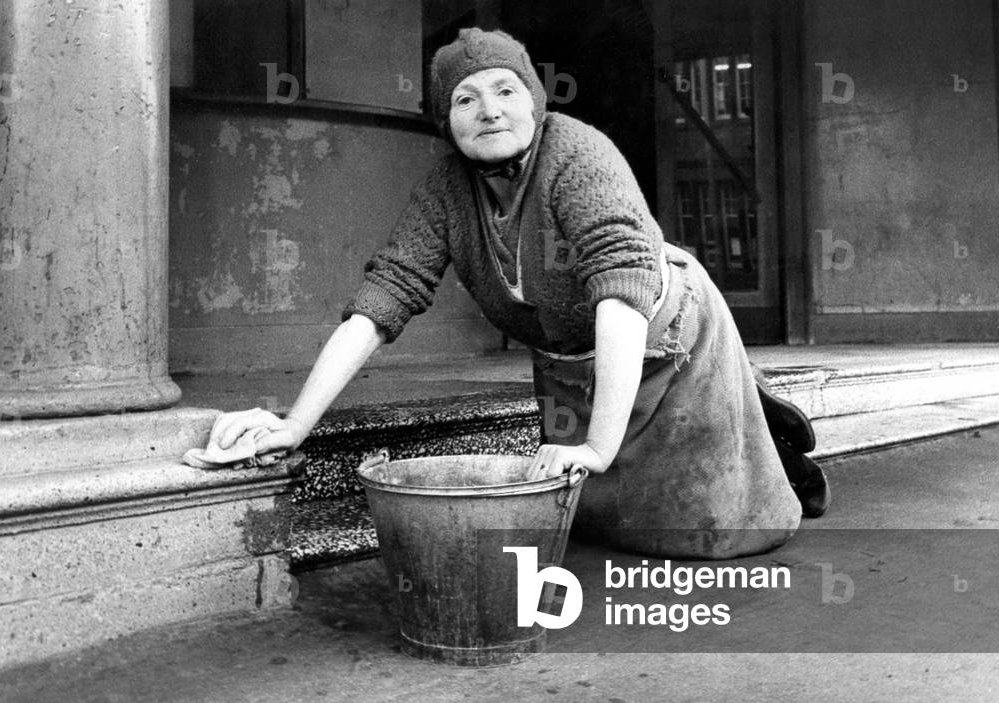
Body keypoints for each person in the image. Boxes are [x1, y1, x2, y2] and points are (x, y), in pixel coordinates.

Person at [207, 28, 829, 559]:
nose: (489, 110)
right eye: (465, 99)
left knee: (716, 530)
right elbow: (380, 302)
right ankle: (738, 427)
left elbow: (618, 294)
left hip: (662, 332)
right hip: (569, 360)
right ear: (445, 121)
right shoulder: (446, 192)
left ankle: (767, 444)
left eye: (506, 90)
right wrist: (294, 424)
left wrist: (597, 446)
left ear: (533, 102)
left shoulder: (579, 153)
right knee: (598, 522)